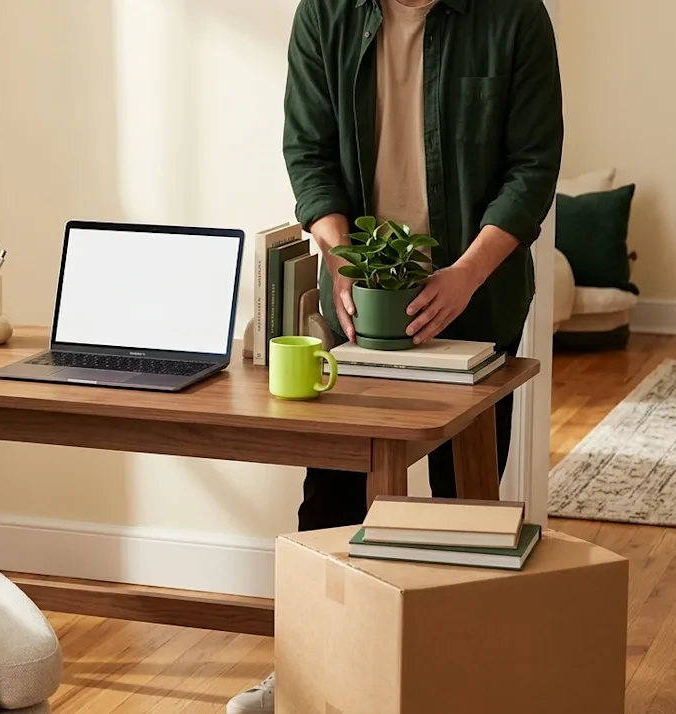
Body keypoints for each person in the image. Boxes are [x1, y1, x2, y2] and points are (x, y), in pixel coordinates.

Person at [227, 0, 562, 711]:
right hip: (357, 307)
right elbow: (307, 151)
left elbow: (532, 169)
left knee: (461, 510)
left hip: (479, 299)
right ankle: (306, 677)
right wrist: (341, 257)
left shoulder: (516, 16)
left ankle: (460, 683)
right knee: (332, 499)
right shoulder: (325, 12)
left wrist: (467, 275)